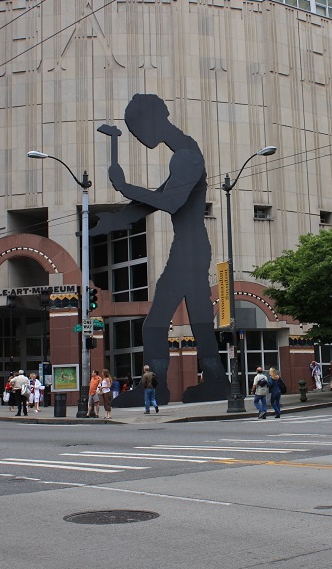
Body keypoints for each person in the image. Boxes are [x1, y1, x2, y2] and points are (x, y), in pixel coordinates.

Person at [89, 94, 229, 406]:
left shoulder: (186, 156)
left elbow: (171, 202)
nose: (139, 137)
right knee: (200, 321)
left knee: (155, 323)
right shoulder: (183, 152)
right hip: (190, 247)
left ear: (153, 120)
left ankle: (159, 387)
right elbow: (154, 200)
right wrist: (114, 221)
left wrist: (125, 187)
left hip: (189, 249)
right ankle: (215, 381)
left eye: (137, 129)